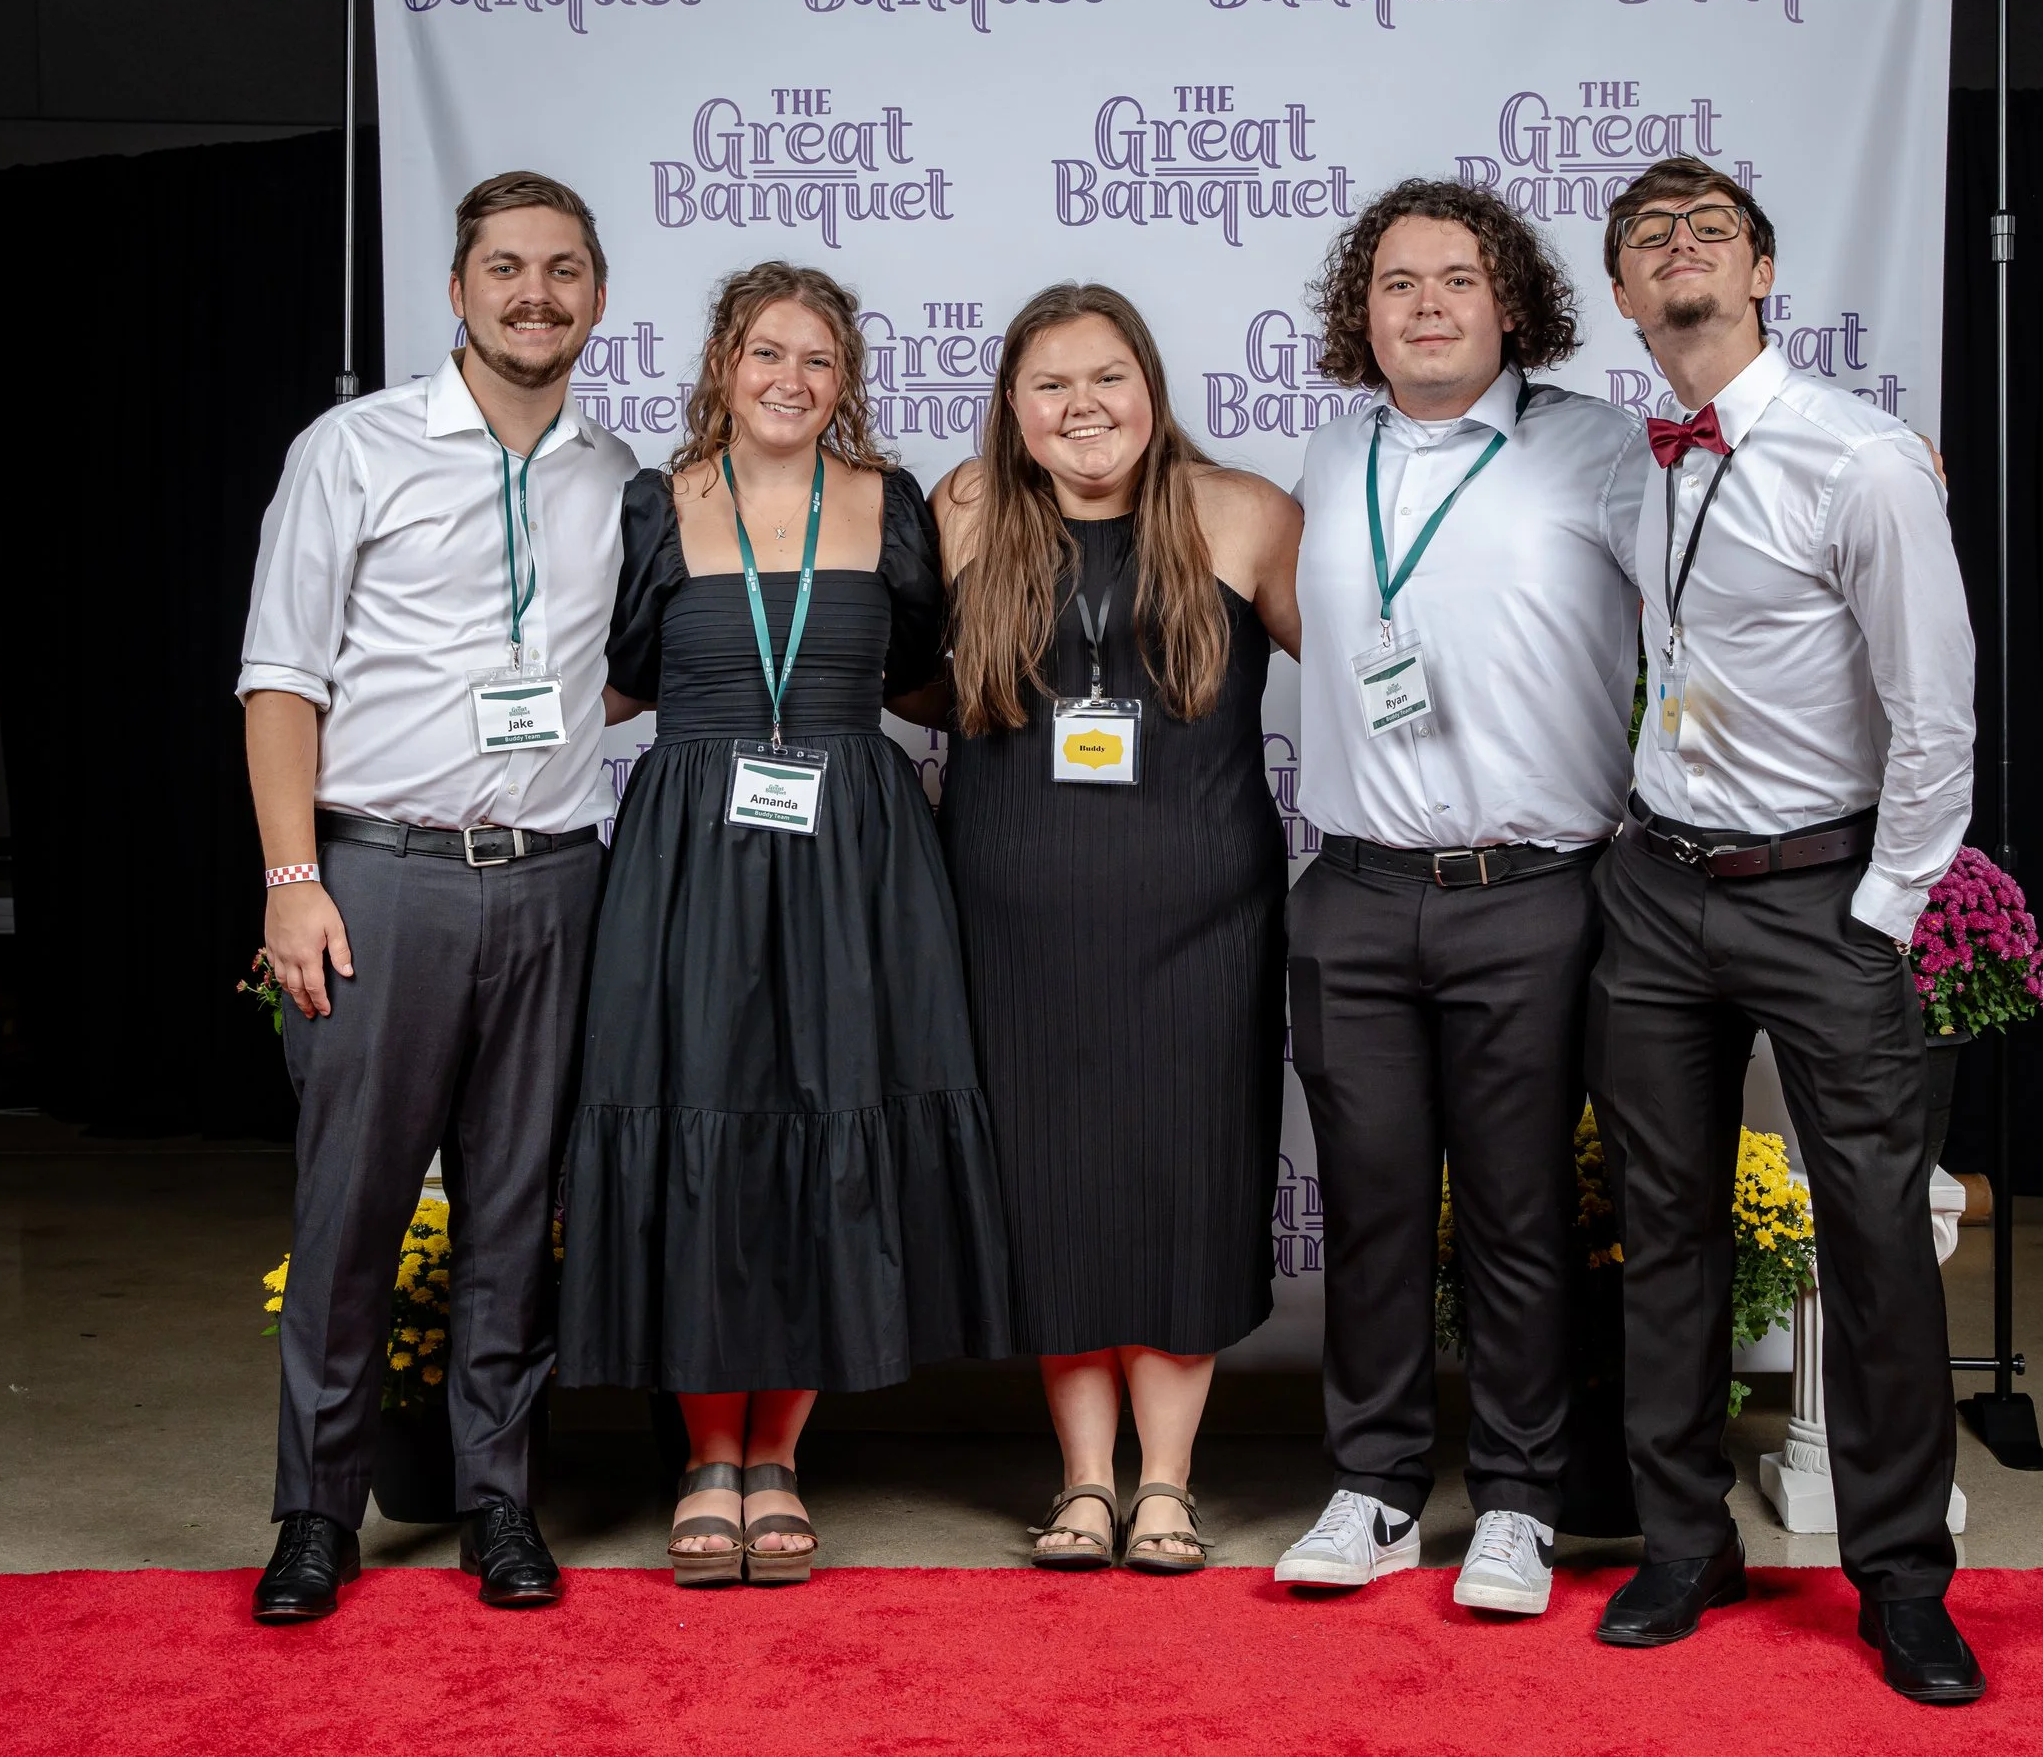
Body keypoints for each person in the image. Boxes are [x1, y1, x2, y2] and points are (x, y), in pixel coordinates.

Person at [1584, 156, 1982, 1704]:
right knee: (1665, 1231)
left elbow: (1933, 713)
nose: (1678, 254)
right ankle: (1684, 1540)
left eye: (1710, 231)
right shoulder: (1628, 461)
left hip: (1826, 895)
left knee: (1878, 1240)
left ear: (1763, 272)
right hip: (1657, 890)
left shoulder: (1865, 460)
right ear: (1621, 295)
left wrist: (1881, 912)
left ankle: (1900, 1579)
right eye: (1646, 240)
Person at [554, 261, 1010, 1587]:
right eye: (766, 352)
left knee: (834, 1116)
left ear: (845, 383)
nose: (789, 379)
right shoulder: (656, 502)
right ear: (722, 366)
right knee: (705, 1111)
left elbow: (930, 679)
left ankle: (781, 1454)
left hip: (854, 849)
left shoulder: (894, 504)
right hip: (692, 846)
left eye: (817, 359)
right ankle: (707, 1453)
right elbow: (624, 681)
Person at [238, 171, 636, 1621]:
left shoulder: (619, 472)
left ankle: (497, 1499)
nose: (537, 293)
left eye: (565, 271)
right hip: (380, 878)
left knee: (513, 1211)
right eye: (508, 268)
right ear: (458, 290)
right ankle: (313, 1515)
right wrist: (294, 880)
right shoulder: (355, 452)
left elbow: (634, 663)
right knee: (348, 1213)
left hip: (555, 882)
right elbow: (280, 676)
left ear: (598, 295)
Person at [1271, 180, 1650, 1616]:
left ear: (1513, 306)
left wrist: (1874, 460)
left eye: (1456, 279)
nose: (1425, 303)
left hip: (1530, 897)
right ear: (1359, 314)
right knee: (1371, 1210)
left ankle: (1516, 1501)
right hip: (1353, 896)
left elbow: (1732, 533)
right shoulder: (1329, 451)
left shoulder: (1601, 452)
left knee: (1516, 1212)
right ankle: (1370, 1488)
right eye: (1396, 282)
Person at [928, 284, 1303, 1573]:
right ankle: (1084, 1484)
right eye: (1050, 385)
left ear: (1151, 384)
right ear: (1013, 409)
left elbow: (1378, 668)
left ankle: (1168, 1484)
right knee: (1054, 1191)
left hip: (1202, 923)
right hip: (1017, 930)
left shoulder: (1242, 513)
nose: (1082, 406)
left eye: (1107, 378)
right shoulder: (967, 512)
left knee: (1184, 1183)